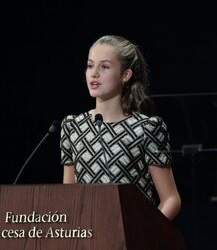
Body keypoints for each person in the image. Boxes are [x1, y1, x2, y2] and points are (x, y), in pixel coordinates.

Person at [60, 35, 181, 221]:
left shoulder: (147, 129)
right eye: (90, 65)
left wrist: (146, 234)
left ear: (125, 75)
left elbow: (171, 199)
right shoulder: (73, 126)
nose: (94, 73)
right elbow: (69, 197)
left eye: (105, 67)